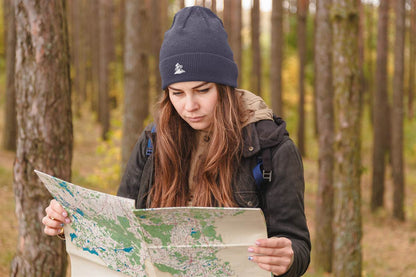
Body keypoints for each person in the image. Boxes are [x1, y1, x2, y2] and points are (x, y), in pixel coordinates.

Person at [42, 6, 310, 277]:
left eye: (202, 90)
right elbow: (121, 231)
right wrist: (71, 222)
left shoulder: (269, 148)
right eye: (177, 93)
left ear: (224, 87)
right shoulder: (152, 142)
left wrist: (288, 258)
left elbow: (297, 246)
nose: (189, 105)